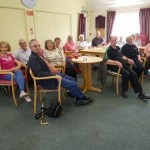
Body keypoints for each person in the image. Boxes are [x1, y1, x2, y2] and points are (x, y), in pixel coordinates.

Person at [27, 39, 93, 106]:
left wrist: (54, 71)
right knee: (72, 84)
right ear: (30, 48)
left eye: (38, 45)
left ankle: (79, 95)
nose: (38, 47)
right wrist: (55, 76)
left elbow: (46, 66)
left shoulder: (37, 56)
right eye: (35, 46)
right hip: (48, 80)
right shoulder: (33, 59)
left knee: (72, 79)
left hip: (52, 75)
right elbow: (40, 74)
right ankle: (80, 99)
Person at [105, 36, 150, 101]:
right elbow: (106, 60)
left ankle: (141, 93)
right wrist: (116, 62)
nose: (115, 41)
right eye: (113, 40)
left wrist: (128, 59)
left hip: (123, 64)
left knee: (133, 73)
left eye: (115, 40)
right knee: (126, 73)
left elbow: (122, 56)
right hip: (114, 66)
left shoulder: (117, 48)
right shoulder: (108, 50)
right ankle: (124, 91)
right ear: (110, 41)